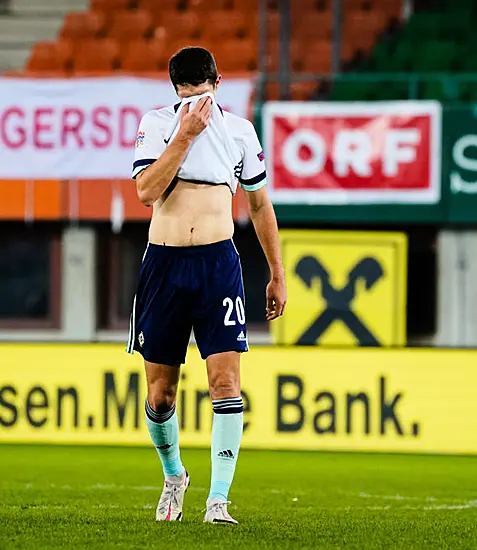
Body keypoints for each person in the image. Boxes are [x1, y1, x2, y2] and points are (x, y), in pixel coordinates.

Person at [127, 47, 287, 524]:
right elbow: (145, 191)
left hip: (218, 264)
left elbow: (259, 206)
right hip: (164, 266)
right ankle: (175, 475)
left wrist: (276, 271)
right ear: (216, 78)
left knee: (225, 382)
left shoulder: (240, 130)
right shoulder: (157, 124)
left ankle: (218, 499)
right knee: (160, 395)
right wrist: (184, 135)